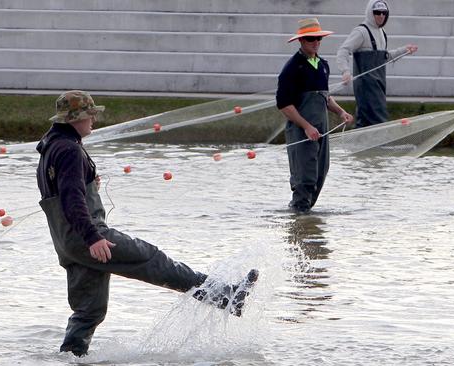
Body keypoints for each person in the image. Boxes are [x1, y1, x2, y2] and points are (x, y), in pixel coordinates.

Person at [36, 90, 258, 356]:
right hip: (89, 236)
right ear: (75, 118)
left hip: (66, 241)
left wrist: (87, 183)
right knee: (153, 259)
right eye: (90, 114)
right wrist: (93, 237)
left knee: (89, 309)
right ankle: (226, 297)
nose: (94, 119)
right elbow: (72, 199)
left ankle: (70, 357)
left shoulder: (52, 145)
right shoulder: (70, 150)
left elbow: (62, 190)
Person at [276, 18, 354, 214]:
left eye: (318, 38)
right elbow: (284, 105)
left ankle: (306, 224)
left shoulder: (323, 65)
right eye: (311, 39)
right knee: (305, 178)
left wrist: (341, 111)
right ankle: (297, 220)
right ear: (301, 41)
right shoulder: (292, 68)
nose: (316, 42)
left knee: (320, 173)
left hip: (322, 130)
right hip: (301, 131)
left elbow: (325, 97)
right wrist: (306, 126)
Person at [336, 0, 418, 128]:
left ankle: (364, 145)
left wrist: (404, 50)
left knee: (370, 121)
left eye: (384, 13)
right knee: (373, 120)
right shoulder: (361, 31)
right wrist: (345, 71)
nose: (381, 16)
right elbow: (343, 50)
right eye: (377, 12)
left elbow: (384, 57)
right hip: (365, 86)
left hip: (379, 85)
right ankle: (374, 145)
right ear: (370, 13)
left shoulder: (382, 33)